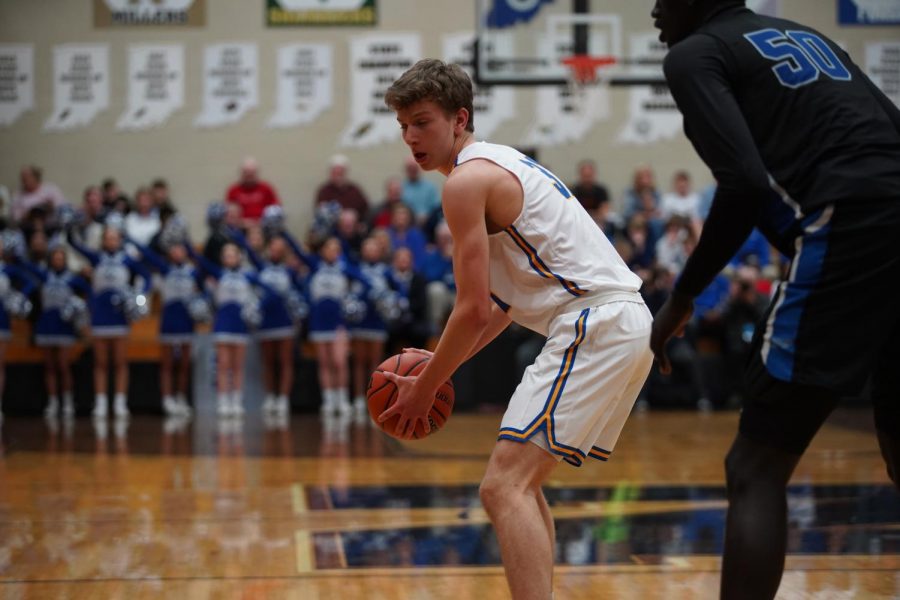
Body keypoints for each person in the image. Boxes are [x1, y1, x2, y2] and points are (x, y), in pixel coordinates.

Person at [648, 2, 900, 599]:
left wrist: (682, 296)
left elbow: (743, 183)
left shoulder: (695, 54)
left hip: (851, 221)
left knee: (755, 467)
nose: (655, 9)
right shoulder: (802, 34)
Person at [380, 59, 652, 600]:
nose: (410, 136)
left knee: (503, 487)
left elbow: (473, 310)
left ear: (459, 120)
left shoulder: (466, 182)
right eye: (404, 125)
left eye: (423, 122)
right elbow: (500, 308)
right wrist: (436, 368)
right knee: (519, 486)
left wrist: (427, 384)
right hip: (613, 321)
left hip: (594, 322)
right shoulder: (500, 164)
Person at [68, 225, 152, 419]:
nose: (111, 241)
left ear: (119, 241)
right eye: (108, 238)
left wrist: (140, 295)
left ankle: (120, 402)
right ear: (103, 240)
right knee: (100, 362)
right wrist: (71, 224)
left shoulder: (127, 260)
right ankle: (101, 401)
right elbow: (75, 245)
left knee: (120, 361)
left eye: (115, 238)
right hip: (99, 316)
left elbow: (146, 275)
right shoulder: (96, 258)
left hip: (119, 315)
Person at [225, 157, 281, 227]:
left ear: (257, 173)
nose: (249, 175)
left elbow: (276, 209)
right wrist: (243, 223)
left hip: (264, 227)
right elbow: (228, 215)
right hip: (240, 228)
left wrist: (260, 222)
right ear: (241, 173)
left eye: (252, 173)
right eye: (246, 172)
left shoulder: (266, 188)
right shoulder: (233, 190)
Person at [12, 166, 68, 231]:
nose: (24, 180)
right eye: (22, 178)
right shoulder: (18, 196)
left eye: (28, 176)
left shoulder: (50, 189)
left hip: (51, 227)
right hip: (28, 229)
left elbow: (62, 206)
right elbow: (15, 217)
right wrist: (26, 215)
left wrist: (51, 206)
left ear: (36, 177)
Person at [314, 154, 369, 220]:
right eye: (335, 173)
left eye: (340, 173)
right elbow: (320, 213)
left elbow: (365, 210)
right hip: (332, 227)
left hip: (352, 228)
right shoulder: (324, 191)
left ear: (345, 173)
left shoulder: (354, 190)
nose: (338, 177)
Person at [401, 156, 440, 225]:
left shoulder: (430, 187)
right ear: (406, 170)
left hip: (429, 222)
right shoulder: (401, 188)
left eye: (414, 168)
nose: (413, 170)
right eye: (410, 168)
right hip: (408, 224)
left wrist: (426, 216)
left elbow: (436, 207)